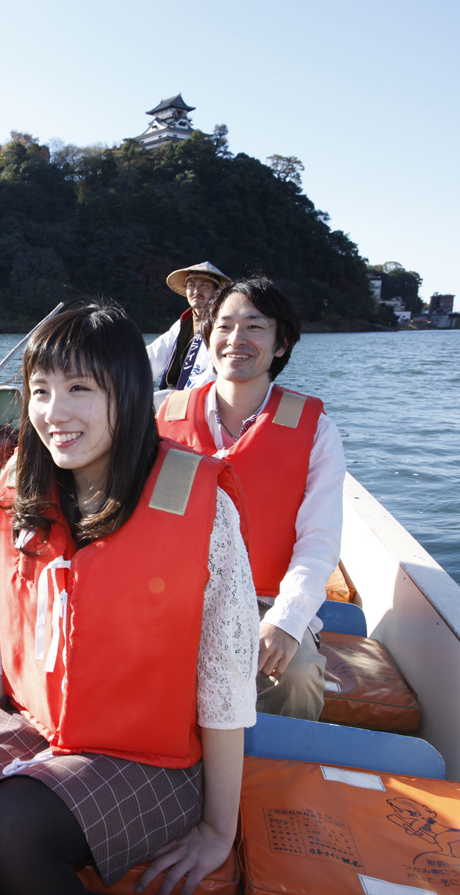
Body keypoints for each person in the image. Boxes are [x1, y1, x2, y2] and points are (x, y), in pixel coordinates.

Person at [0, 304, 259, 895]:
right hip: (38, 722)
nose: (55, 413)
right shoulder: (17, 492)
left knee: (13, 830)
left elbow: (225, 676)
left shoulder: (201, 506)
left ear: (127, 394)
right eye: (41, 390)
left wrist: (217, 827)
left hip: (151, 755)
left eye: (79, 388)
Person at [157, 276, 345, 721]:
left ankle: (277, 782)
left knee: (294, 678)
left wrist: (287, 620)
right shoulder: (163, 417)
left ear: (281, 344)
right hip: (173, 595)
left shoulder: (316, 431)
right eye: (224, 326)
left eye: (254, 327)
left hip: (265, 599)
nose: (235, 339)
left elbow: (318, 541)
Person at [147, 261, 230, 398]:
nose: (197, 291)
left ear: (217, 292)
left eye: (204, 285)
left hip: (209, 399)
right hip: (181, 398)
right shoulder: (184, 323)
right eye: (191, 285)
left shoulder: (224, 326)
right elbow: (153, 357)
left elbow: (212, 376)